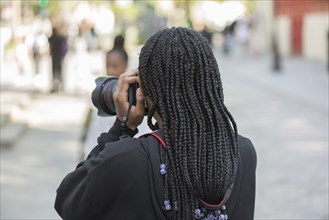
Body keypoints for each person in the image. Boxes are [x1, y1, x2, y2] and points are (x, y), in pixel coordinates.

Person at [55, 27, 257, 220]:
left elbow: (68, 201)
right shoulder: (243, 152)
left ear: (145, 92)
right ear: (211, 82)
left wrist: (122, 127)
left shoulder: (124, 160)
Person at [48, 27, 68, 92]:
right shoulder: (60, 38)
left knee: (55, 71)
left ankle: (56, 85)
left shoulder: (53, 38)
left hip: (55, 57)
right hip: (59, 57)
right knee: (59, 71)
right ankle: (60, 85)